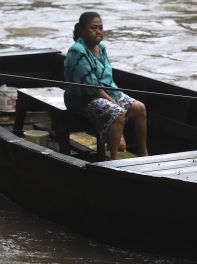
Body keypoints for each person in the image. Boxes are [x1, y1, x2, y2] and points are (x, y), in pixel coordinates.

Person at [63, 12, 148, 160]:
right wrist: (114, 102)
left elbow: (108, 78)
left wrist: (117, 95)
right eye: (93, 28)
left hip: (105, 92)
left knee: (139, 108)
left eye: (101, 28)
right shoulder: (78, 51)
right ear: (82, 30)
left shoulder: (101, 48)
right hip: (82, 99)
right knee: (118, 112)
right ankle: (113, 160)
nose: (98, 31)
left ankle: (144, 153)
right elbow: (93, 87)